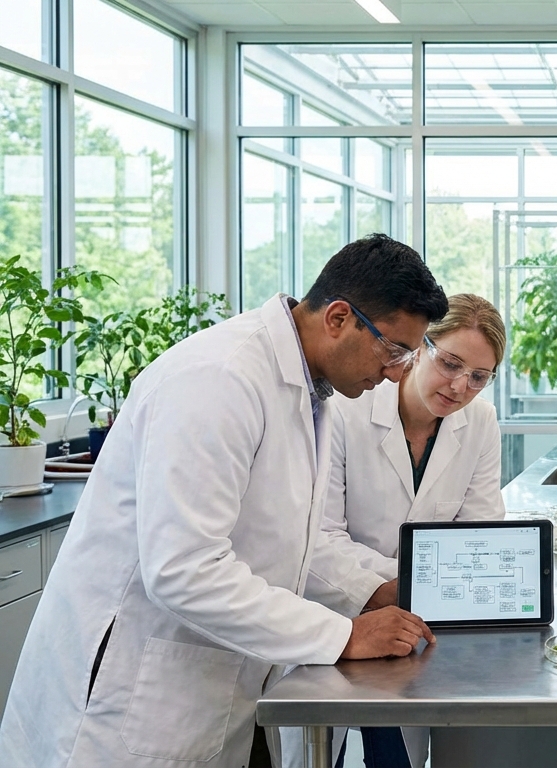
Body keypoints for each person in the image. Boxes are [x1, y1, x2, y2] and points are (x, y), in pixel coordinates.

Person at [0, 234, 447, 768]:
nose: (399, 370)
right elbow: (184, 569)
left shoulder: (310, 391)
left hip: (214, 689)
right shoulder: (218, 379)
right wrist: (342, 635)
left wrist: (378, 589)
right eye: (394, 349)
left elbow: (288, 540)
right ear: (338, 318)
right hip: (128, 701)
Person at [293, 294, 509, 768]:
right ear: (419, 347)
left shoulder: (480, 423)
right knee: (322, 753)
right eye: (450, 363)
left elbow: (481, 535)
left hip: (423, 628)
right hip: (341, 614)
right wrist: (402, 587)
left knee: (407, 755)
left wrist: (423, 592)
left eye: (479, 377)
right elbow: (319, 536)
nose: (460, 386)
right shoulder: (348, 409)